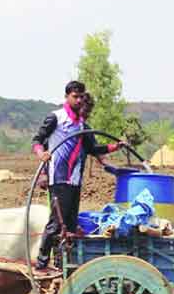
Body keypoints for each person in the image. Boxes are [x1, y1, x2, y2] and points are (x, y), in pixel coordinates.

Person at [31, 81, 125, 271]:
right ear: (67, 96)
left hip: (75, 180)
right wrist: (41, 154)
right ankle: (41, 262)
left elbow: (93, 149)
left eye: (81, 96)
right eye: (75, 96)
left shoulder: (83, 126)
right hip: (58, 178)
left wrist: (116, 146)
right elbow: (37, 140)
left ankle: (64, 263)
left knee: (71, 225)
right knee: (57, 223)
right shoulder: (56, 118)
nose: (79, 100)